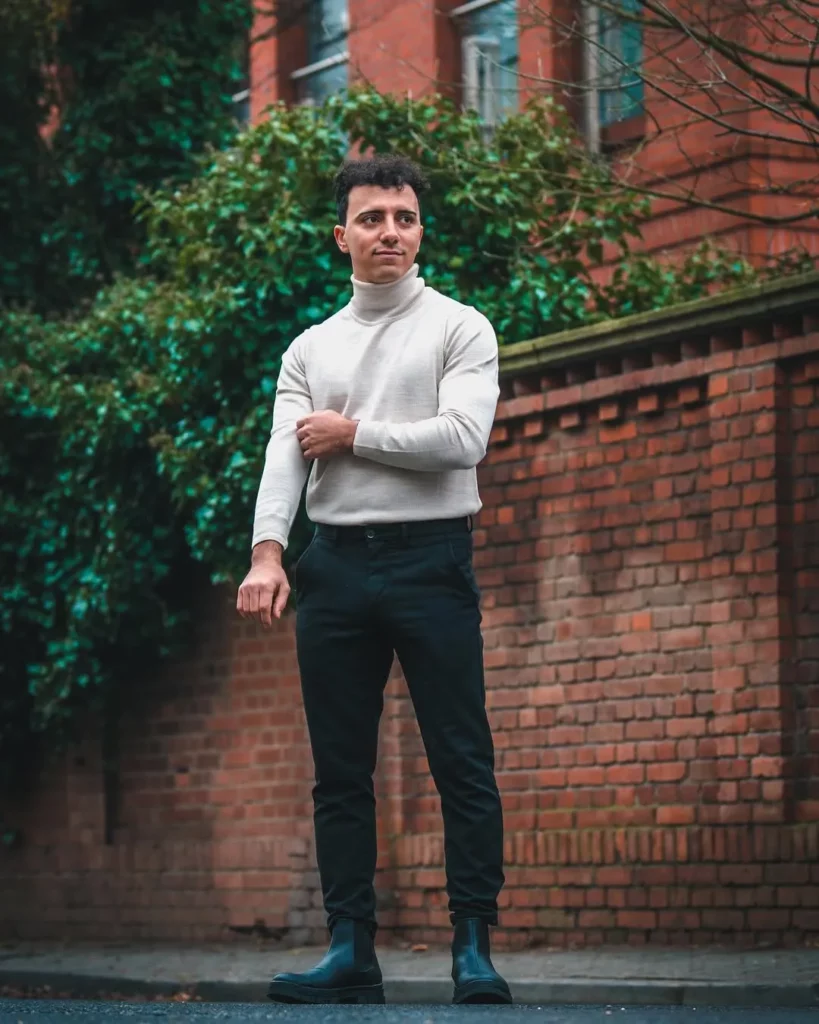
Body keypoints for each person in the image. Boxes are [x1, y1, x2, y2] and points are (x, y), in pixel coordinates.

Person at [237, 154, 511, 1006]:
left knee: (460, 758)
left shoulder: (460, 327)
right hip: (337, 569)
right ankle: (350, 948)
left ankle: (472, 948)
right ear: (341, 236)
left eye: (402, 216)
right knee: (340, 771)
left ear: (419, 230)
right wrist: (268, 552)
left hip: (433, 560)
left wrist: (353, 434)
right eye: (371, 218)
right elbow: (286, 454)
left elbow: (462, 438)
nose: (388, 231)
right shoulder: (309, 347)